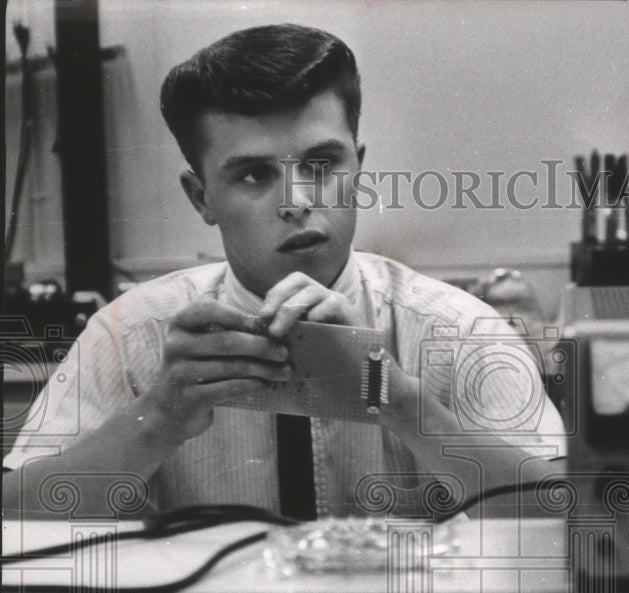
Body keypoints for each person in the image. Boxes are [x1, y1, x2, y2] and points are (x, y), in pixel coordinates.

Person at [3, 24, 564, 519]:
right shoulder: (128, 336)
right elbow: (13, 522)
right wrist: (161, 415)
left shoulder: (459, 329)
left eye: (321, 165)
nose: (296, 200)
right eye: (253, 175)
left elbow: (566, 521)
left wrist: (398, 401)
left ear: (359, 169)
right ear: (202, 197)